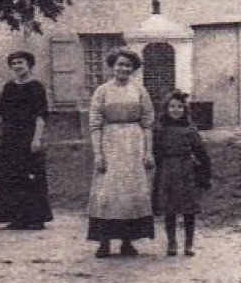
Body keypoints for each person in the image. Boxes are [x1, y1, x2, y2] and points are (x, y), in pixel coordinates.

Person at [88, 47, 158, 257]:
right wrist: (98, 154)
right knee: (108, 193)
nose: (123, 69)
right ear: (112, 66)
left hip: (133, 145)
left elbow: (147, 123)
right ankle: (104, 242)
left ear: (133, 69)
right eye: (120, 64)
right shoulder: (102, 91)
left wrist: (148, 151)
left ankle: (128, 241)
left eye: (128, 65)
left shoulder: (140, 91)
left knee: (130, 193)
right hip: (110, 144)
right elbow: (95, 124)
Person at [0, 51, 53, 230]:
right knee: (11, 177)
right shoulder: (8, 87)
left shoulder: (36, 87)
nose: (18, 66)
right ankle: (16, 217)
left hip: (28, 136)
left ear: (29, 65)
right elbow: (0, 114)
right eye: (14, 63)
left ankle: (35, 218)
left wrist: (37, 138)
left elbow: (41, 116)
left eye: (21, 63)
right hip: (10, 138)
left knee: (31, 177)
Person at [152, 90, 212, 257]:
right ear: (166, 109)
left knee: (189, 209)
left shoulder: (190, 129)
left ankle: (189, 243)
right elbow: (156, 152)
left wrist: (205, 174)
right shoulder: (160, 130)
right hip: (167, 171)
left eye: (179, 107)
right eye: (172, 107)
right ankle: (172, 242)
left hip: (186, 171)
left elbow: (201, 152)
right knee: (169, 209)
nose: (176, 110)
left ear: (185, 110)